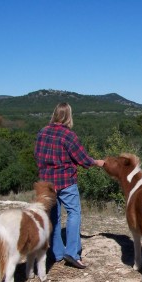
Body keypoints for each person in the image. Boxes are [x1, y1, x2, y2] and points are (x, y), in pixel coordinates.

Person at [34, 102, 104, 269]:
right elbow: (83, 159)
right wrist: (98, 162)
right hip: (66, 181)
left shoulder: (42, 132)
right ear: (68, 116)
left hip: (47, 182)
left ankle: (57, 253)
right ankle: (72, 252)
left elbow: (37, 155)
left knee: (53, 217)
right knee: (74, 213)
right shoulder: (68, 136)